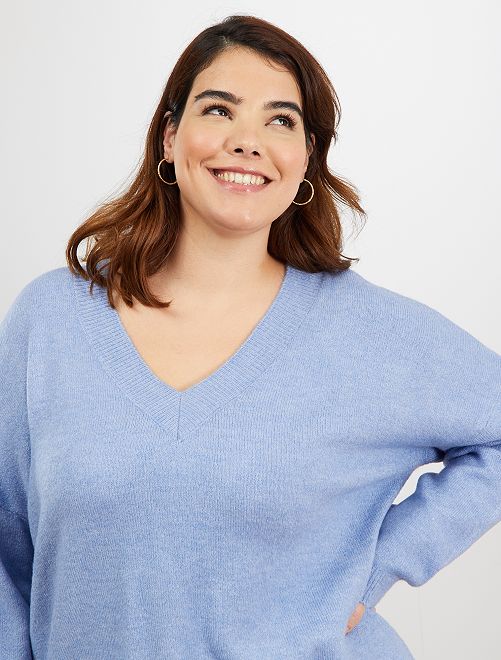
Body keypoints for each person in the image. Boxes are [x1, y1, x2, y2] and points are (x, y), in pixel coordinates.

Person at [1, 14, 500, 660]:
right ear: (170, 137)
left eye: (280, 121)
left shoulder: (370, 336)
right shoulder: (52, 320)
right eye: (219, 110)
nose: (247, 142)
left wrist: (381, 565)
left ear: (306, 158)